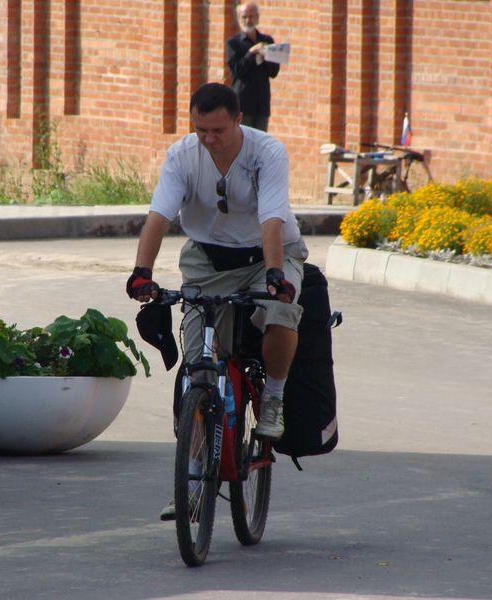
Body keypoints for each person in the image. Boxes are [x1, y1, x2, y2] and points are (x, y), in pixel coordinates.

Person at [125, 82, 308, 519]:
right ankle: (190, 482)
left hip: (270, 255)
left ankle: (273, 399)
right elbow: (159, 216)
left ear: (239, 120)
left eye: (218, 131)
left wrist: (276, 275)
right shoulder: (182, 156)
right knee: (197, 370)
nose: (208, 139)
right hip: (207, 261)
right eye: (200, 129)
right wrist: (141, 272)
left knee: (282, 312)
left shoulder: (267, 152)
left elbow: (271, 218)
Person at [226, 1, 280, 132]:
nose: (248, 20)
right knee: (243, 139)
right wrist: (251, 53)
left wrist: (266, 55)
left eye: (251, 16)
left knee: (261, 141)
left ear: (257, 17)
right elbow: (237, 70)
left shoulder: (267, 41)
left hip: (261, 103)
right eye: (244, 17)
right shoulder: (233, 43)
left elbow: (273, 72)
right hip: (243, 104)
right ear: (239, 18)